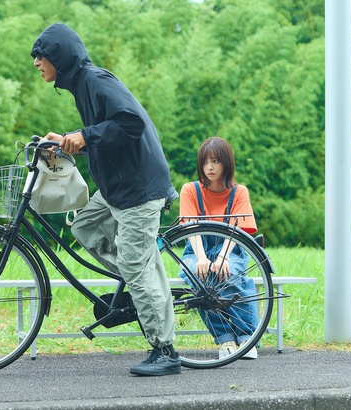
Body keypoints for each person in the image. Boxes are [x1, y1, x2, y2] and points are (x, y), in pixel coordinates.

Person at [31, 23, 180, 376]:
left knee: (136, 264)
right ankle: (140, 280)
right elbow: (105, 136)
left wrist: (83, 135)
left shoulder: (94, 80)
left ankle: (166, 350)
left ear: (58, 57)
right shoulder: (80, 85)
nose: (36, 63)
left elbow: (131, 123)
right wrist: (69, 140)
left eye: (40, 56)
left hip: (138, 189)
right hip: (117, 188)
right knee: (83, 224)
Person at [178, 137, 260, 359]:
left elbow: (237, 230)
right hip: (196, 249)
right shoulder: (190, 190)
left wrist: (222, 256)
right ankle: (225, 339)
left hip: (231, 248)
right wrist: (202, 257)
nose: (209, 168)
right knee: (199, 278)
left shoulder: (239, 192)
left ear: (226, 162)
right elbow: (190, 226)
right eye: (205, 163)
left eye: (215, 161)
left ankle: (247, 338)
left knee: (231, 275)